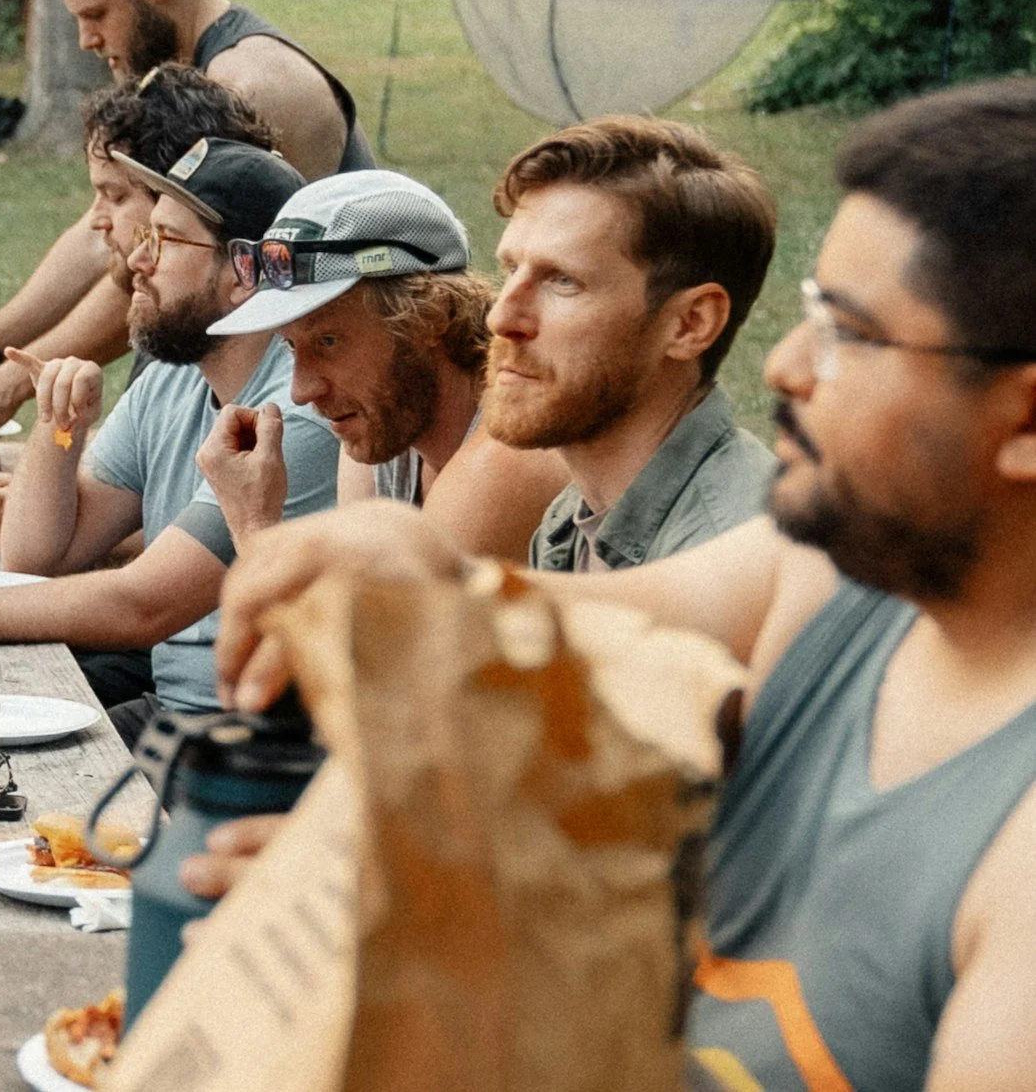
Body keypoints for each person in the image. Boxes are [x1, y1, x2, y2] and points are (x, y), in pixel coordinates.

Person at [204, 78, 1036, 1092]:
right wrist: (397, 565)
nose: (781, 366)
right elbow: (594, 628)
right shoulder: (833, 568)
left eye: (850, 333)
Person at [0, 128, 342, 740]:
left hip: (240, 740)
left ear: (243, 272)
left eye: (165, 240)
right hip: (173, 707)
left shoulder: (291, 414)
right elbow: (38, 554)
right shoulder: (173, 378)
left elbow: (142, 606)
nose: (137, 259)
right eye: (146, 234)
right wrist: (59, 429)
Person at [0, 0, 373, 436]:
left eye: (96, 14)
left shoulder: (248, 86)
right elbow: (102, 237)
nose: (86, 40)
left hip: (307, 396)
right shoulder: (180, 81)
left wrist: (9, 383)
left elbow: (159, 262)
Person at [195, 170, 570, 563]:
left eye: (328, 341)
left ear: (430, 316)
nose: (301, 391)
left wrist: (253, 521)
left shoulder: (502, 464)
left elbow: (360, 626)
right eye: (291, 346)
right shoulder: (385, 425)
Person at [485, 115, 778, 572]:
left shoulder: (727, 558)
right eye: (510, 270)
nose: (501, 317)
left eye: (563, 281)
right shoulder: (571, 520)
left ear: (688, 324)